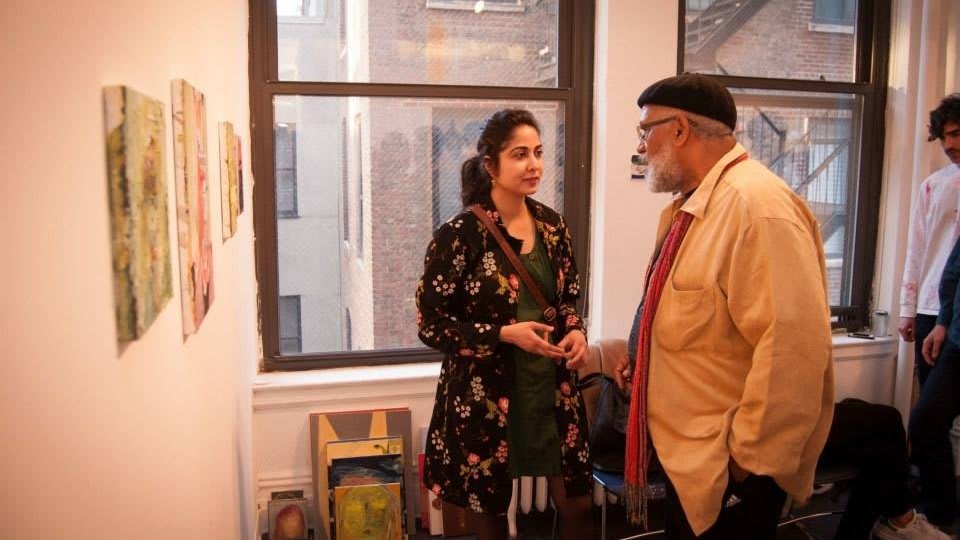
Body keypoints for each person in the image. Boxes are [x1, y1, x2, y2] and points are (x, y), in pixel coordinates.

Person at [612, 74, 834, 540]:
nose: (641, 147)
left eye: (645, 131)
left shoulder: (756, 208)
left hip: (728, 467)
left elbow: (793, 352)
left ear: (679, 131)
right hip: (688, 456)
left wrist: (748, 464)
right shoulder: (691, 208)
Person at [416, 109, 593, 540]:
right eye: (519, 155)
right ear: (490, 165)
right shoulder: (458, 235)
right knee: (490, 511)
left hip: (552, 389)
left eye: (537, 152)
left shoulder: (553, 226)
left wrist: (575, 331)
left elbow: (567, 297)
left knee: (577, 504)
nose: (533, 164)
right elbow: (431, 323)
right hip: (486, 394)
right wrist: (502, 335)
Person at [818, 398, 949, 540]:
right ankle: (899, 519)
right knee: (888, 422)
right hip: (795, 429)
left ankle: (899, 519)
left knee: (866, 415)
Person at [899, 93, 960, 390]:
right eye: (943, 137)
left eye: (956, 134)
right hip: (929, 306)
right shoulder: (933, 186)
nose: (949, 145)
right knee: (927, 404)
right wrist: (908, 308)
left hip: (957, 312)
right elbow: (917, 249)